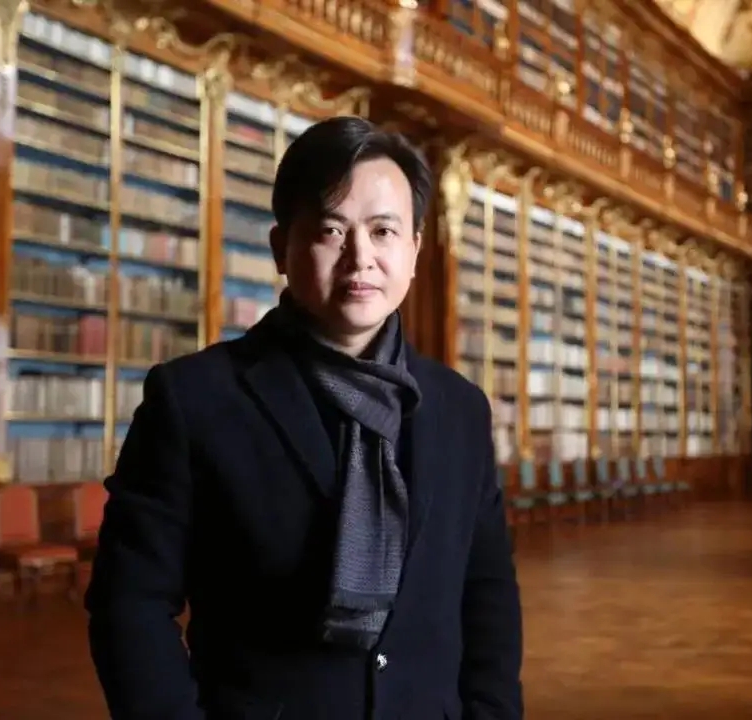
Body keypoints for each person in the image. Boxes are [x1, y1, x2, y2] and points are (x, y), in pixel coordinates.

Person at [85, 116, 524, 720]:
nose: (360, 257)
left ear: (416, 251)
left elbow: (487, 590)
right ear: (280, 248)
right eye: (330, 230)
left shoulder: (461, 409)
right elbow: (129, 602)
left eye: (383, 231)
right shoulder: (194, 400)